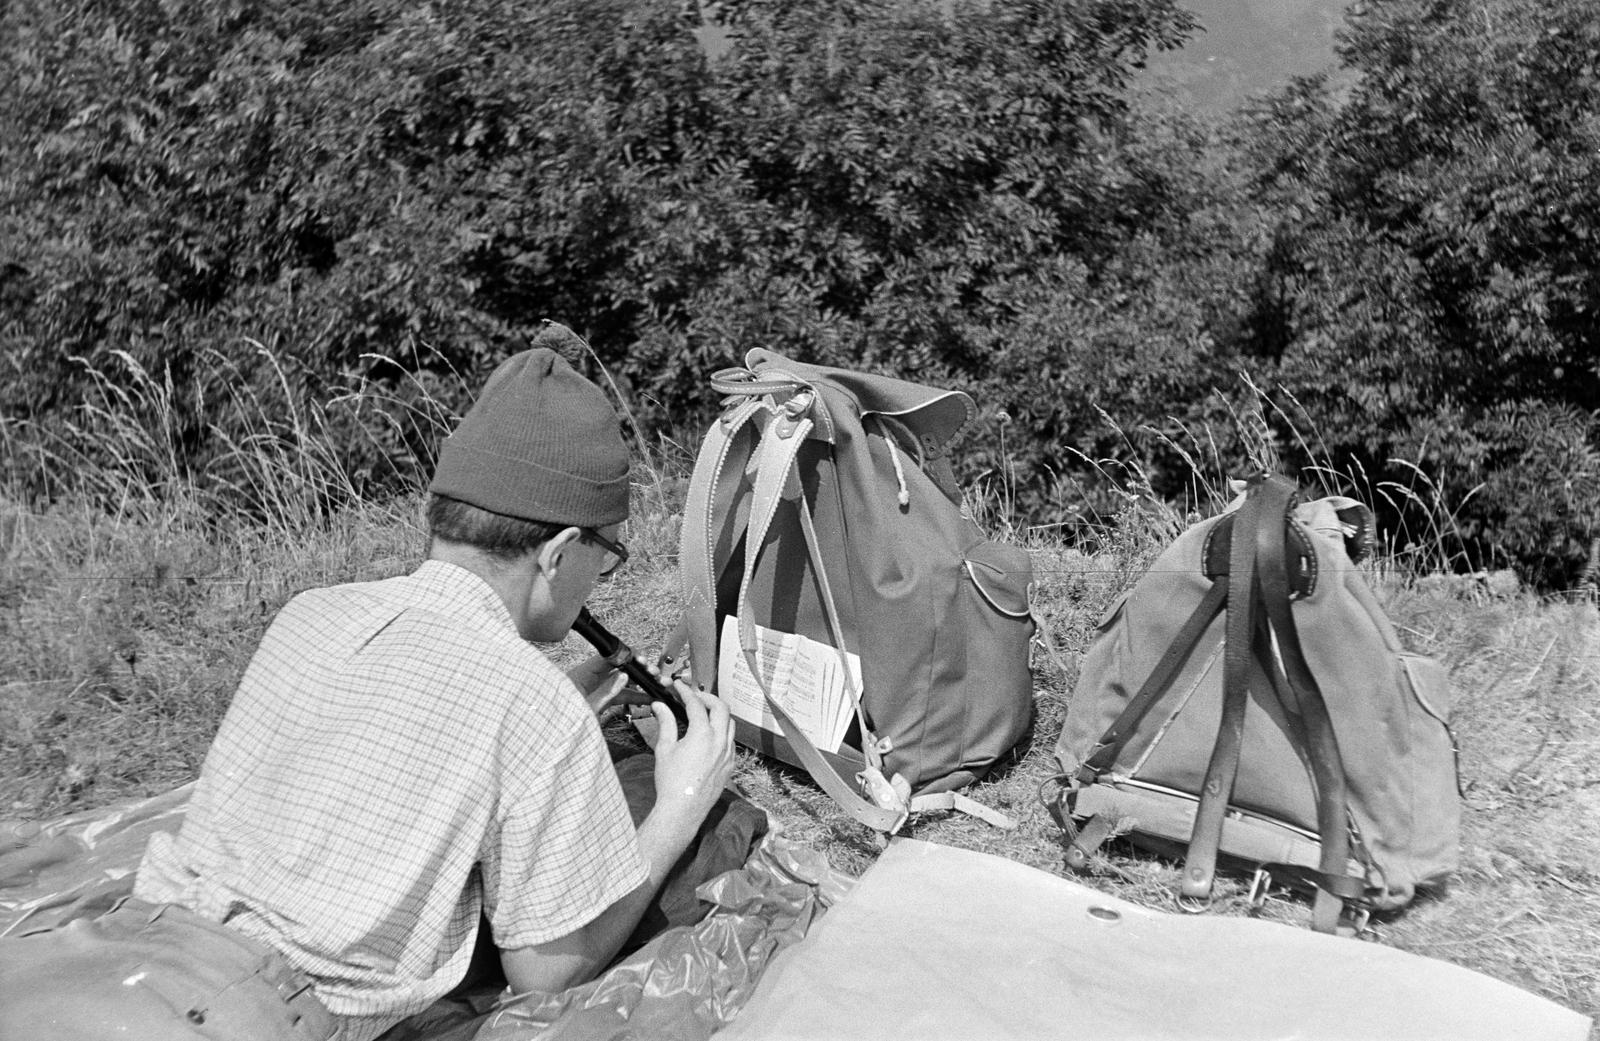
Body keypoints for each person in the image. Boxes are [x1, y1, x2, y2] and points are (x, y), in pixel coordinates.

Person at [0, 334, 738, 1041]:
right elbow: (545, 971)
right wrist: (680, 804)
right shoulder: (529, 704)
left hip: (87, 960)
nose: (601, 580)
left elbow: (384, 755)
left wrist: (563, 709)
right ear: (560, 550)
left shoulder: (311, 613)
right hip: (228, 1014)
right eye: (607, 555)